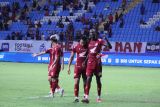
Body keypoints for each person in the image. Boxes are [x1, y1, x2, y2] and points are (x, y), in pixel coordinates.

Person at [81, 32, 112, 103]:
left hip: (98, 63)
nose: (92, 34)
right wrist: (85, 61)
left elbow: (110, 47)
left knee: (98, 80)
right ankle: (86, 97)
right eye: (91, 33)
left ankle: (98, 97)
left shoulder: (100, 41)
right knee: (88, 79)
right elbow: (89, 53)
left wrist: (106, 38)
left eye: (93, 33)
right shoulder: (89, 42)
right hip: (89, 63)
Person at [67, 36, 88, 103]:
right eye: (81, 42)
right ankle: (76, 97)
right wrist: (68, 67)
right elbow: (72, 56)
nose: (82, 44)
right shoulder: (76, 46)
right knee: (76, 82)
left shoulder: (88, 46)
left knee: (85, 83)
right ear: (80, 41)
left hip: (86, 68)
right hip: (77, 67)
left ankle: (85, 96)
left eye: (83, 43)